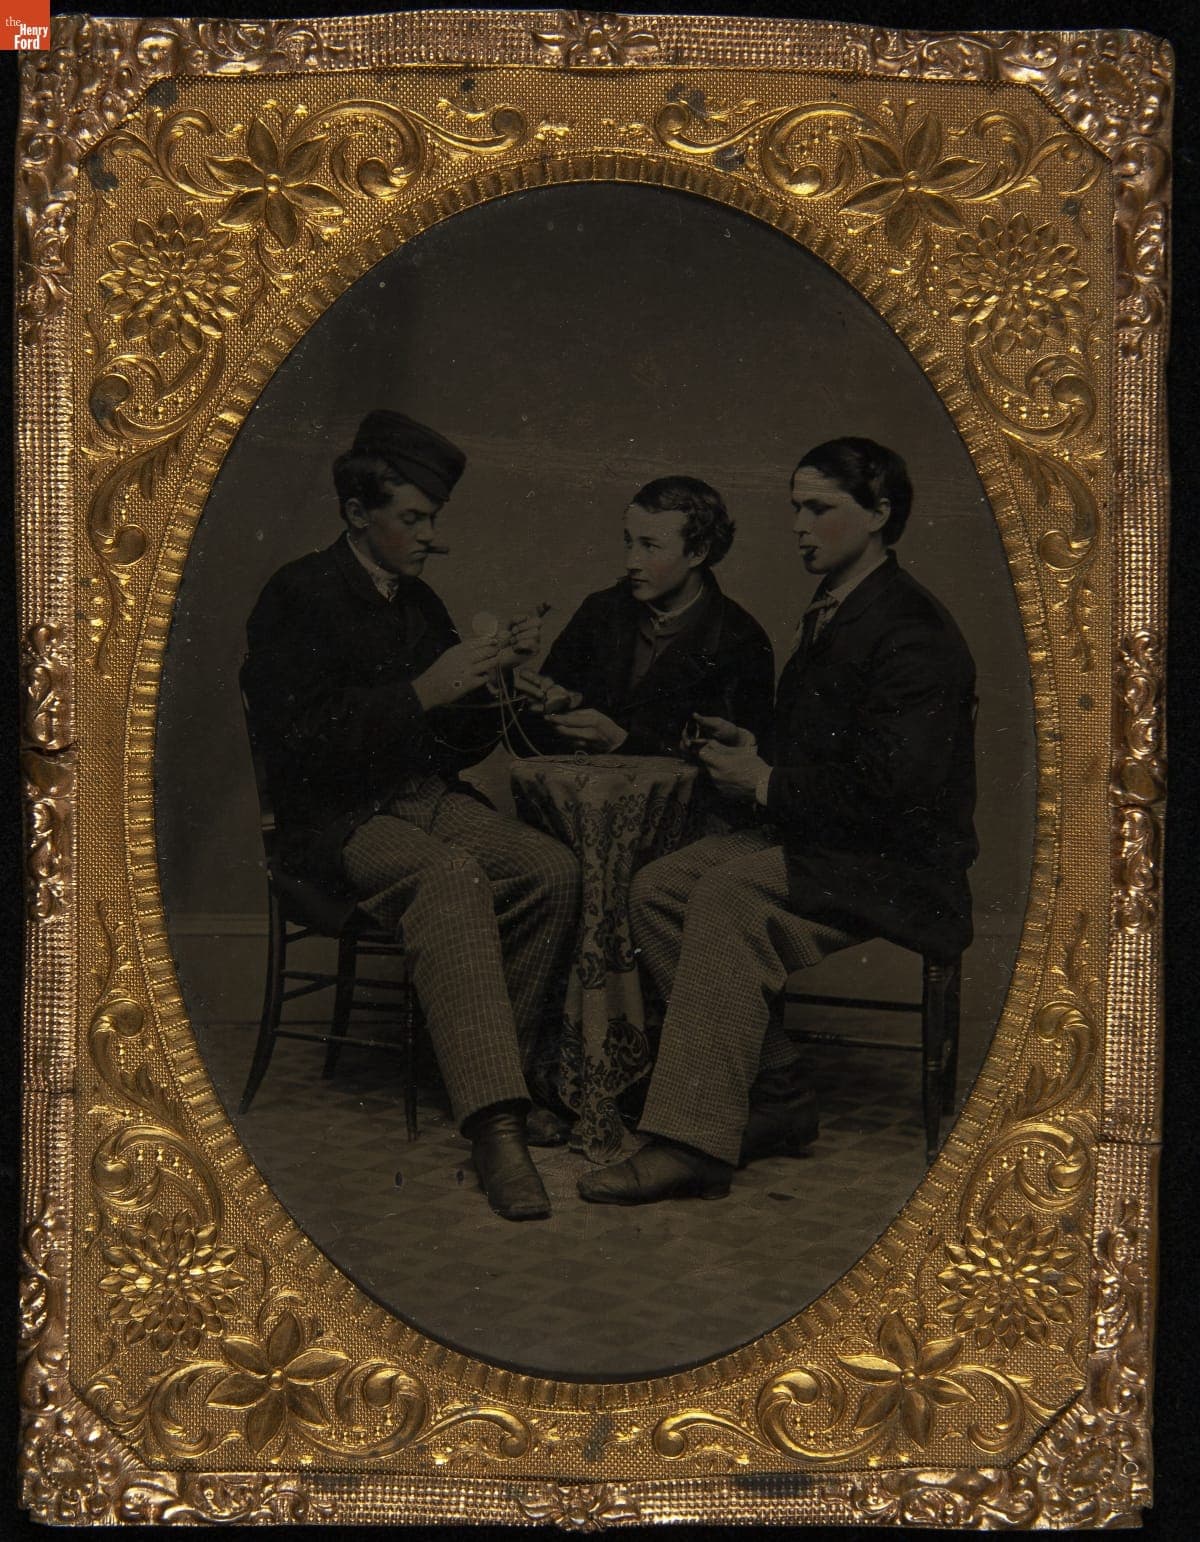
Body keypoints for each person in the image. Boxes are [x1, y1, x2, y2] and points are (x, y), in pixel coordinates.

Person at [578, 437, 978, 1205]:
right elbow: (834, 755)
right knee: (660, 888)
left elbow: (900, 797)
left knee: (729, 896)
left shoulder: (911, 629)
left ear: (880, 515)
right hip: (831, 840)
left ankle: (692, 1141)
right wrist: (755, 752)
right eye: (796, 506)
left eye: (820, 508)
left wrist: (764, 781)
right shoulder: (840, 609)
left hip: (898, 866)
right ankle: (781, 1093)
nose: (799, 524)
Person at [243, 411, 580, 1223]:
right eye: (413, 519)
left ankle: (504, 1063)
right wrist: (427, 688)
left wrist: (496, 683)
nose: (430, 536)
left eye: (434, 520)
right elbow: (295, 743)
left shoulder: (419, 600)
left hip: (421, 797)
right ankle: (495, 1125)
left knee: (550, 870)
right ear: (358, 514)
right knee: (451, 877)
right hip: (335, 822)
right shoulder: (298, 592)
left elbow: (454, 747)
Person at [516, 476, 774, 766]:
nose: (631, 562)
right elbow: (527, 745)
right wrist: (546, 707)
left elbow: (737, 779)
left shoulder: (743, 641)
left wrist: (623, 744)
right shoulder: (599, 611)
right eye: (629, 542)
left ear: (698, 551)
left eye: (650, 546)